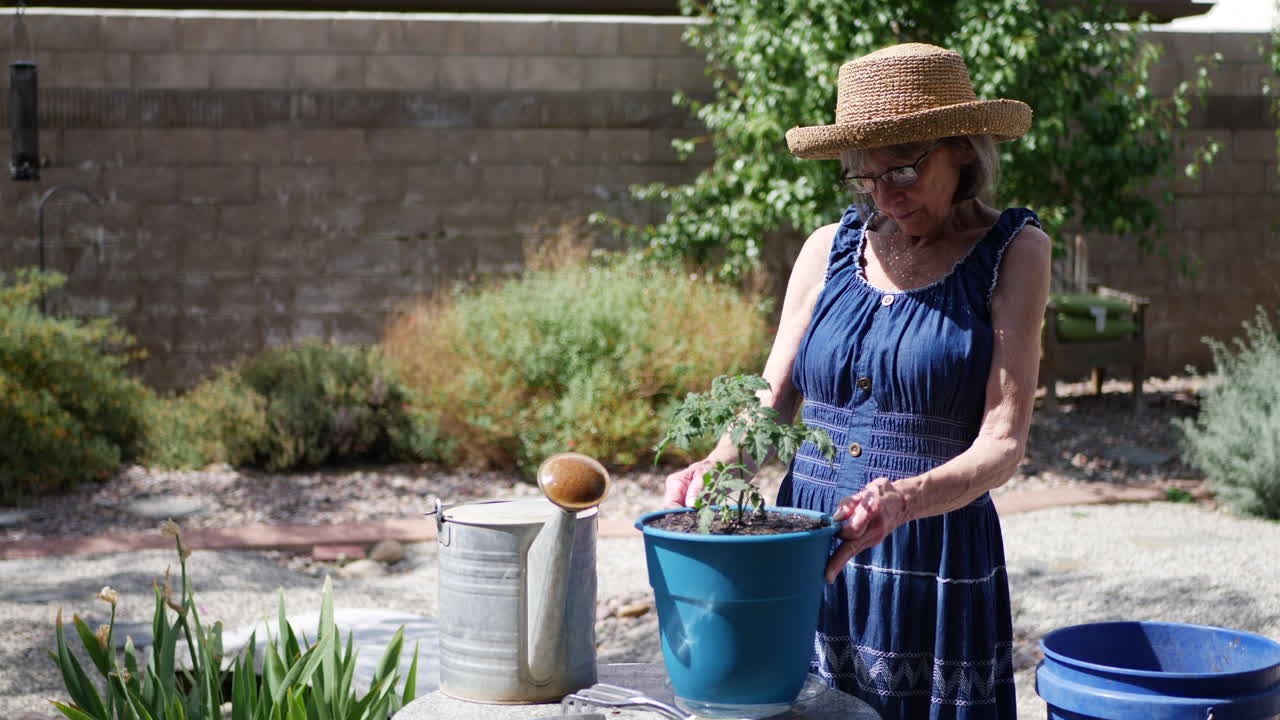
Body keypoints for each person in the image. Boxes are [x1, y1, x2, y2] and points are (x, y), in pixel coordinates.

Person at [662, 43, 1050, 719]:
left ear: (962, 148)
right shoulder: (828, 249)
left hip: (932, 549)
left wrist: (904, 498)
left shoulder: (1014, 252)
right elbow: (770, 402)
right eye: (865, 178)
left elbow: (1003, 441)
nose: (884, 195)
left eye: (902, 169)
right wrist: (716, 467)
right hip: (807, 541)